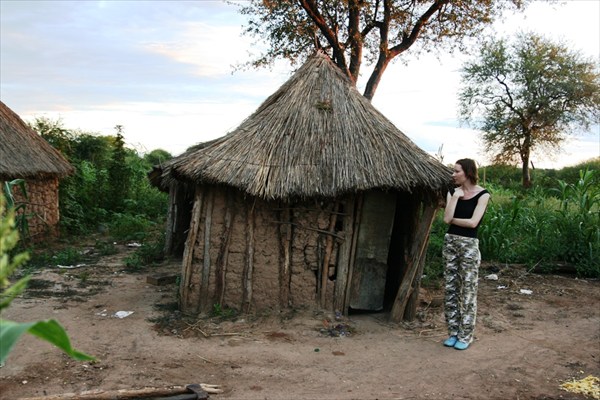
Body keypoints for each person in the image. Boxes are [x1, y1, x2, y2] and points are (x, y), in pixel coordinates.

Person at [442, 158, 490, 350]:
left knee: (468, 289)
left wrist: (454, 219)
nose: (453, 175)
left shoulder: (483, 195)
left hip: (469, 244)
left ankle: (466, 335)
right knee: (450, 289)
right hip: (450, 243)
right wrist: (455, 198)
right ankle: (453, 332)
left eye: (457, 171)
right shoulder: (452, 192)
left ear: (468, 172)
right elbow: (446, 219)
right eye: (453, 171)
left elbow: (473, 223)